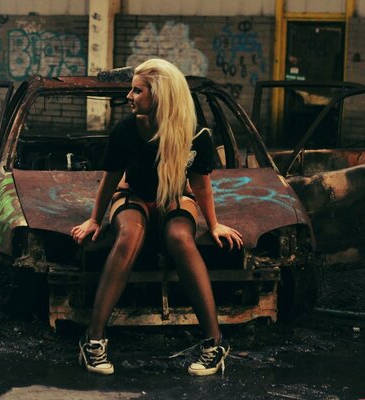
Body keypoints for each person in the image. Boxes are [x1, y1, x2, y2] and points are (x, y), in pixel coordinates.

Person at [70, 58, 243, 376]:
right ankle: (93, 340)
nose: (129, 97)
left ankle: (215, 343)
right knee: (129, 235)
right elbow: (110, 179)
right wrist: (95, 219)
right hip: (133, 195)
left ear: (159, 94)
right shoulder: (125, 130)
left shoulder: (195, 135)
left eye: (137, 90)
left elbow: (201, 185)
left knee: (179, 236)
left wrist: (214, 224)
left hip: (176, 197)